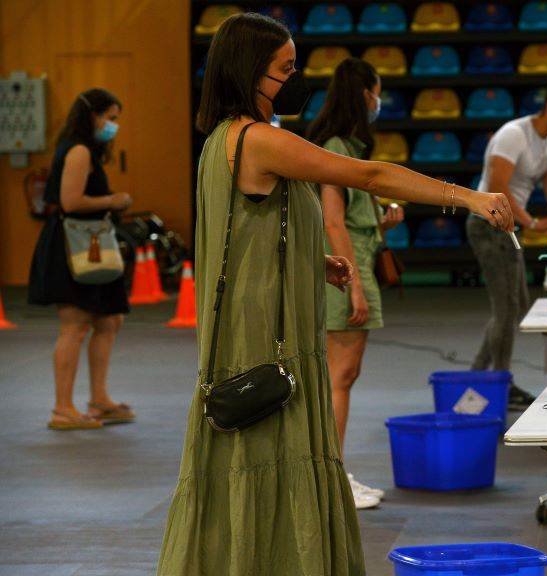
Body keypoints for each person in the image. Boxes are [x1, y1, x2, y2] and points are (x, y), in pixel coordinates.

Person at [157, 13, 511, 575]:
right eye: (284, 68)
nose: (294, 79)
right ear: (250, 71)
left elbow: (243, 229)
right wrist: (465, 196)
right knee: (271, 439)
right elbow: (368, 175)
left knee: (254, 444)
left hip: (257, 316)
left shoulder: (219, 142)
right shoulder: (259, 139)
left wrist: (313, 260)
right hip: (264, 330)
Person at [306, 57, 402, 510]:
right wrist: (356, 286)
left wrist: (382, 220)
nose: (379, 101)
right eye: (377, 91)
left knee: (343, 374)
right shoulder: (335, 148)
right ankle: (330, 477)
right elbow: (332, 222)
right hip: (345, 270)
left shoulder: (346, 147)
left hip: (355, 259)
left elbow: (352, 220)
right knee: (338, 377)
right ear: (366, 94)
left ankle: (331, 472)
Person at [468, 80, 547, 409]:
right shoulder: (513, 135)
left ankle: (478, 377)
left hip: (509, 228)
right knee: (505, 311)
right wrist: (532, 223)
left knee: (516, 306)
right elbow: (497, 190)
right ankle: (498, 383)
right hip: (487, 223)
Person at [28, 88, 135, 430]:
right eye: (111, 118)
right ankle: (62, 409)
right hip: (72, 246)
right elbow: (70, 202)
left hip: (92, 244)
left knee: (109, 320)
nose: (113, 126)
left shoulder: (88, 150)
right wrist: (112, 200)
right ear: (92, 115)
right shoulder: (77, 151)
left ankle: (99, 400)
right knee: (74, 326)